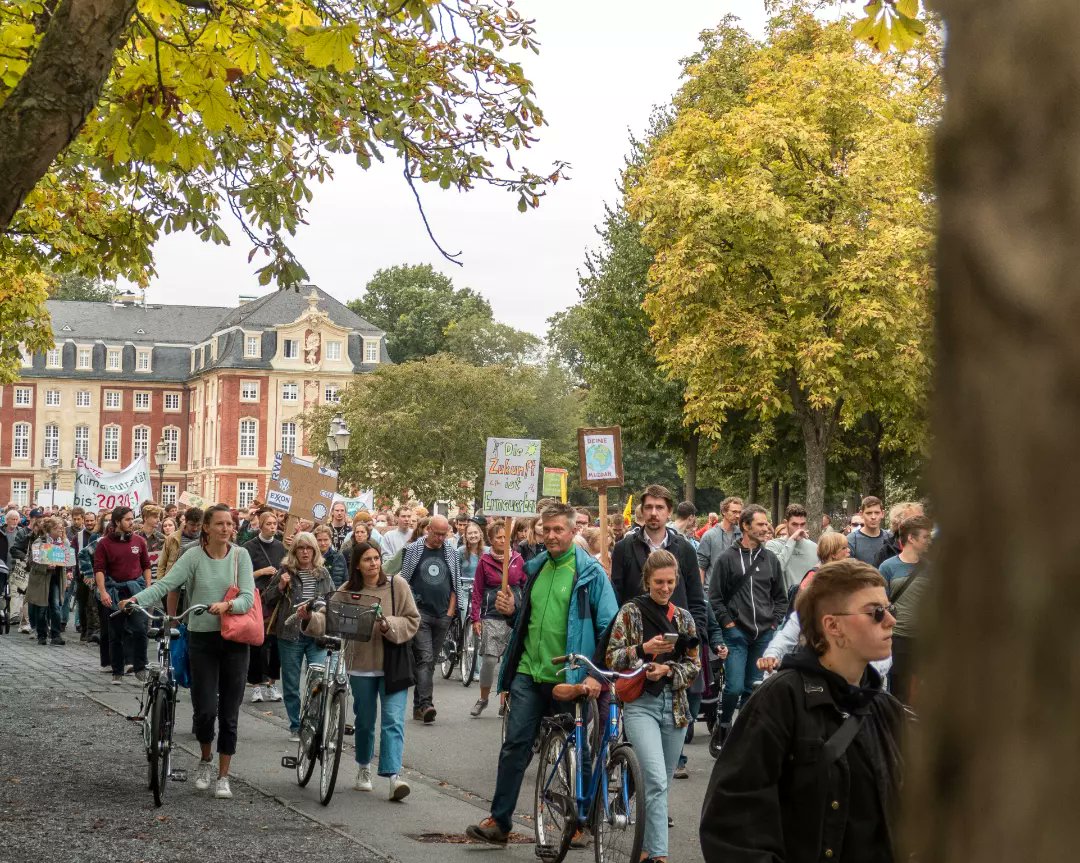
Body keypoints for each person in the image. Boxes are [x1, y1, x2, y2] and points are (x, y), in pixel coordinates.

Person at [700, 559, 904, 863]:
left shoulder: (885, 710)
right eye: (875, 612)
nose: (890, 621)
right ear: (832, 626)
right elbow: (732, 822)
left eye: (890, 610)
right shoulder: (779, 700)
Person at [465, 502, 618, 846]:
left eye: (557, 530)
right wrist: (512, 609)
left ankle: (579, 822)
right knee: (514, 746)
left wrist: (596, 675)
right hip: (528, 672)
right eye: (545, 530)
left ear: (573, 530)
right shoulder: (534, 568)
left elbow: (611, 626)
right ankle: (500, 822)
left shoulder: (591, 574)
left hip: (570, 677)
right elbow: (525, 620)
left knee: (578, 750)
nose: (550, 536)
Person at [121, 504, 257, 800]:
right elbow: (168, 583)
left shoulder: (240, 556)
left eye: (229, 524)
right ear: (206, 527)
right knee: (205, 709)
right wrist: (135, 598)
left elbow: (247, 597)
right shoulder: (193, 555)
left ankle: (224, 775)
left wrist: (227, 606)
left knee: (230, 713)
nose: (226, 528)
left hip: (234, 641)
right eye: (219, 524)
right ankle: (205, 760)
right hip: (201, 639)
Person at [303, 541, 420, 800]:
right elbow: (329, 619)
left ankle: (393, 778)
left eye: (377, 558)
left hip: (393, 665)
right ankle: (363, 767)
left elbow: (413, 620)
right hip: (361, 667)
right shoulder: (348, 590)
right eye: (367, 559)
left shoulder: (396, 585)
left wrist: (386, 624)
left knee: (393, 721)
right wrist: (309, 618)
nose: (374, 563)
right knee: (365, 722)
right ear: (357, 563)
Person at [606, 549, 701, 863]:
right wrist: (644, 649)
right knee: (657, 780)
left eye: (670, 582)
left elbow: (694, 666)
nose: (665, 588)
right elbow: (612, 658)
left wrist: (668, 670)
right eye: (659, 582)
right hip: (641, 704)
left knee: (661, 783)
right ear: (647, 581)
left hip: (675, 708)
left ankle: (647, 849)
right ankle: (658, 856)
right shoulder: (631, 612)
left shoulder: (684, 618)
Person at [708, 504, 786, 743]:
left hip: (763, 635)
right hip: (736, 635)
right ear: (745, 526)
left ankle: (743, 737)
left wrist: (774, 623)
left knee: (754, 690)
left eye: (766, 524)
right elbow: (715, 597)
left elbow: (780, 597)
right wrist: (728, 624)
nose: (766, 528)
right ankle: (723, 724)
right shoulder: (726, 559)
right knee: (733, 687)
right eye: (761, 524)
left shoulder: (770, 559)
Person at [610, 484, 708, 643]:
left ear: (669, 512)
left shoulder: (685, 549)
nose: (653, 513)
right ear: (642, 511)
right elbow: (616, 598)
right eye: (648, 507)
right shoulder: (623, 548)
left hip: (677, 639)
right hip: (637, 641)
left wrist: (695, 638)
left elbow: (696, 598)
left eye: (659, 507)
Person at [262, 532, 334, 740]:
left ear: (315, 551)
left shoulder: (322, 574)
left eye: (309, 548)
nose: (305, 552)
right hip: (290, 634)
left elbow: (332, 600)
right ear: (294, 551)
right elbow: (267, 599)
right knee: (292, 684)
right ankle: (296, 725)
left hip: (316, 633)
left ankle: (311, 723)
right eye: (301, 548)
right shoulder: (286, 572)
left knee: (318, 680)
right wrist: (280, 586)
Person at [401, 515, 460, 723]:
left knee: (429, 662)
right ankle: (427, 704)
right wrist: (411, 609)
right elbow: (404, 580)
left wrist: (451, 612)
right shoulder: (414, 549)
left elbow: (456, 584)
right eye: (437, 534)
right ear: (428, 530)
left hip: (443, 614)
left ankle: (418, 707)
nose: (441, 538)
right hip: (420, 614)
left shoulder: (452, 552)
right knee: (425, 659)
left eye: (445, 534)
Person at [468, 520, 526, 717]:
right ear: (491, 540)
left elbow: (526, 586)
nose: (503, 540)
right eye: (499, 537)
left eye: (505, 537)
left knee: (511, 660)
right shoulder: (484, 561)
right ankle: (483, 698)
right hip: (491, 615)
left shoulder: (517, 559)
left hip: (514, 614)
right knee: (490, 660)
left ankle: (505, 701)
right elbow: (477, 591)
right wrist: (475, 617)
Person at [93, 506, 151, 683]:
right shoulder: (104, 543)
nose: (131, 523)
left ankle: (140, 667)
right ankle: (117, 671)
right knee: (116, 633)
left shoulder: (139, 541)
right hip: (114, 590)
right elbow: (99, 570)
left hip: (135, 591)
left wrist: (147, 588)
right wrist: (103, 592)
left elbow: (146, 566)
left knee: (140, 630)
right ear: (117, 521)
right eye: (127, 519)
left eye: (132, 519)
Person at [879, 514, 932, 704]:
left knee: (920, 694)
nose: (928, 541)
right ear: (911, 538)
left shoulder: (931, 568)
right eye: (925, 537)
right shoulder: (887, 567)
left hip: (924, 640)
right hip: (897, 638)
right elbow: (881, 603)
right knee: (899, 692)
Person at [242, 509, 285, 704]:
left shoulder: (281, 547)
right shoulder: (249, 547)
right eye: (268, 524)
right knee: (258, 644)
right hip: (257, 599)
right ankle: (256, 685)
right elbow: (242, 575)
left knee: (275, 646)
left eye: (275, 524)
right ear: (260, 525)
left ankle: (272, 683)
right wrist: (261, 572)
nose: (272, 527)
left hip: (276, 600)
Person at [27, 517, 72, 645]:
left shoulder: (64, 543)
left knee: (56, 606)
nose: (61, 530)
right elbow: (32, 562)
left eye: (62, 527)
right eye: (58, 528)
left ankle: (56, 635)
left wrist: (68, 569)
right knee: (42, 607)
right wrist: (45, 566)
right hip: (42, 579)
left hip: (56, 578)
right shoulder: (39, 542)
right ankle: (41, 635)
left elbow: (69, 559)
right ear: (50, 529)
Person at [766, 503, 819, 593]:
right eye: (794, 524)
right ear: (786, 523)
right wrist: (792, 540)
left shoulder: (814, 547)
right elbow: (777, 569)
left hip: (807, 603)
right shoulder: (773, 545)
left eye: (802, 524)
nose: (799, 529)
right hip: (783, 604)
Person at [697, 496, 743, 588]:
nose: (737, 515)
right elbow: (701, 567)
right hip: (713, 591)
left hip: (736, 591)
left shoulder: (743, 535)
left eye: (739, 512)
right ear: (724, 512)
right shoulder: (709, 536)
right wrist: (700, 595)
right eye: (734, 512)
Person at [873, 502, 925, 567]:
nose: (919, 525)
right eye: (914, 521)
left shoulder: (929, 549)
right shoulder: (885, 552)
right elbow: (875, 576)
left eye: (921, 520)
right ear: (899, 525)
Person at [848, 496, 888, 564]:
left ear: (882, 514)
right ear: (861, 514)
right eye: (869, 513)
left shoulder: (890, 537)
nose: (873, 517)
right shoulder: (851, 540)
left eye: (877, 513)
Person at [138, 503, 167, 582]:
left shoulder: (162, 538)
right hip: (139, 580)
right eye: (155, 517)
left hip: (157, 579)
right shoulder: (135, 537)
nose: (158, 520)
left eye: (158, 517)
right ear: (145, 518)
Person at [314, 524, 348, 588]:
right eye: (319, 540)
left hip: (335, 595)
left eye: (325, 540)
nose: (323, 543)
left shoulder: (338, 557)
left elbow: (345, 580)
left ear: (330, 539)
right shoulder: (311, 558)